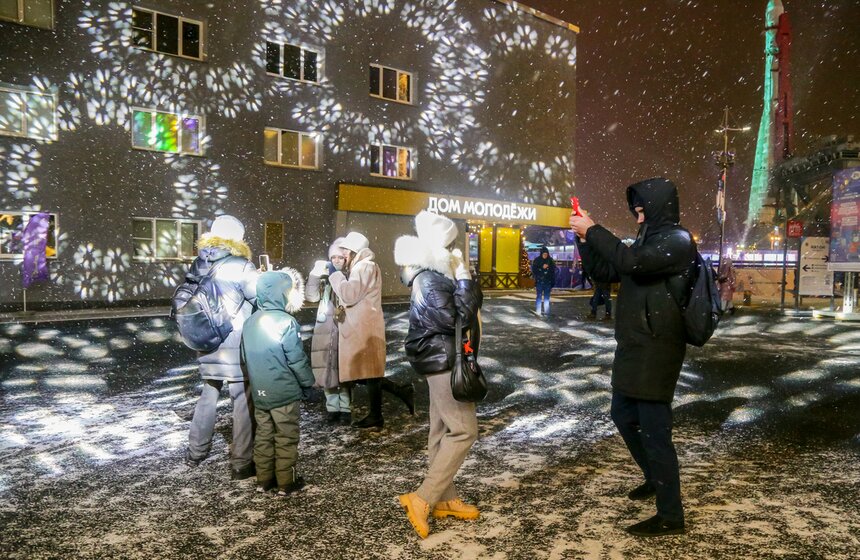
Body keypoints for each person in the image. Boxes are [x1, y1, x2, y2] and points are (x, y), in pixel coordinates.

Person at [570, 178, 696, 537]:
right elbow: (607, 271)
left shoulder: (677, 241)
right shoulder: (648, 241)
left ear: (657, 209)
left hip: (658, 349)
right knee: (622, 415)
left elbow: (630, 261)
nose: (638, 220)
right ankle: (654, 478)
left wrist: (594, 229)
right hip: (635, 347)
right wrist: (585, 241)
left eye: (642, 212)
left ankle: (671, 515)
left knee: (656, 432)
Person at [393, 210, 483, 539]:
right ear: (444, 243)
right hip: (443, 359)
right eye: (454, 242)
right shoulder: (430, 279)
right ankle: (424, 498)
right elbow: (456, 317)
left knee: (441, 430)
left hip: (440, 358)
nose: (457, 247)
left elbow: (472, 305)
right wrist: (463, 280)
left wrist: (465, 278)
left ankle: (445, 499)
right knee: (463, 430)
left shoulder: (432, 274)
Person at [184, 215, 259, 480]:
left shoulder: (200, 262)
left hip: (207, 340)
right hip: (235, 342)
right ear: (238, 238)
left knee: (209, 394)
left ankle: (196, 451)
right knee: (242, 399)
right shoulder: (240, 265)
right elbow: (258, 296)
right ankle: (241, 462)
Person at [328, 231, 414, 430]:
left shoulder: (363, 267)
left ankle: (380, 412)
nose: (343, 256)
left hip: (362, 327)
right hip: (364, 325)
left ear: (353, 251)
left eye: (346, 251)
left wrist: (336, 276)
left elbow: (349, 295)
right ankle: (395, 397)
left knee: (366, 373)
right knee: (366, 373)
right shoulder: (364, 266)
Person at [240, 268, 314, 496]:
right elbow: (296, 359)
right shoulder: (286, 322)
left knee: (263, 436)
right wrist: (307, 382)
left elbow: (244, 357)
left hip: (260, 391)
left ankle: (265, 479)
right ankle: (286, 481)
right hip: (284, 391)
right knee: (286, 437)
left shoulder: (250, 322)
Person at [305, 238, 352, 423]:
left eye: (340, 257)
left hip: (344, 327)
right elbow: (311, 296)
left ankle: (346, 407)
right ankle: (332, 407)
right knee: (326, 367)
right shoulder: (325, 278)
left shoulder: (350, 276)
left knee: (343, 369)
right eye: (333, 257)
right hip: (325, 328)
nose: (336, 261)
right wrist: (315, 275)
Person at [531, 246, 557, 316]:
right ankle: (538, 311)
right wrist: (542, 268)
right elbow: (534, 270)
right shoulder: (537, 260)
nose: (545, 256)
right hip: (540, 281)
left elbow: (553, 271)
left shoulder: (550, 260)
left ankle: (546, 312)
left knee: (546, 298)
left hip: (547, 282)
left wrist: (548, 268)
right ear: (541, 254)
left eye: (546, 254)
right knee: (539, 297)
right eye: (544, 254)